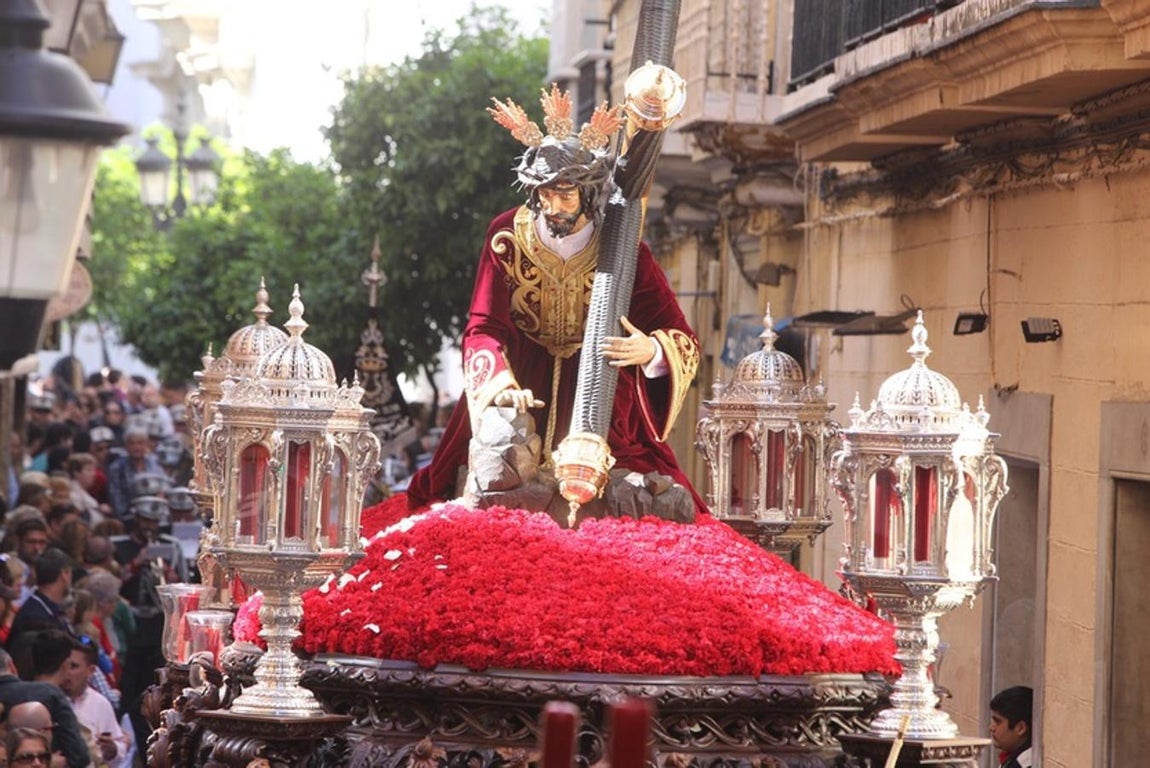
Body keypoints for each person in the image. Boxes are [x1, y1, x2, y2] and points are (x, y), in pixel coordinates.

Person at [406, 86, 702, 515]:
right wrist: (499, 385)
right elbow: (483, 326)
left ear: (587, 193)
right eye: (545, 195)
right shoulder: (507, 236)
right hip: (522, 381)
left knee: (641, 496)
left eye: (566, 196)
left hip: (600, 395)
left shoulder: (622, 247)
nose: (554, 207)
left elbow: (682, 336)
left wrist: (651, 350)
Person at [0, 647, 92, 768]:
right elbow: (79, 756)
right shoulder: (50, 693)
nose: (36, 763)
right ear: (12, 666)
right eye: (25, 757)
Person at [989, 685, 1033, 768]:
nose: (991, 728)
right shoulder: (1012, 758)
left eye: (997, 722)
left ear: (1021, 728)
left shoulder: (1024, 764)